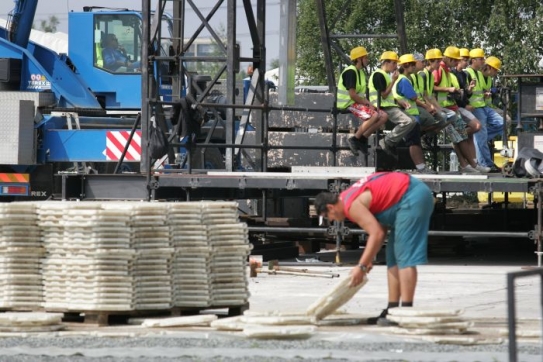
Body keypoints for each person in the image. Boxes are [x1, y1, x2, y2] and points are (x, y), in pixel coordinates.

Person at [314, 171, 434, 325]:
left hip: (411, 196)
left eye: (327, 216)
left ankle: (406, 312)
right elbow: (380, 228)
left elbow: (376, 233)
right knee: (392, 257)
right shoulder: (347, 196)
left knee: (404, 257)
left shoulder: (350, 205)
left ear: (330, 207)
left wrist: (362, 266)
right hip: (405, 196)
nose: (331, 220)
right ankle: (391, 310)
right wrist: (369, 258)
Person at [433, 46, 482, 173]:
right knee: (459, 136)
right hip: (444, 109)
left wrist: (459, 92)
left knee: (460, 136)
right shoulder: (439, 71)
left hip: (452, 108)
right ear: (448, 58)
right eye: (455, 60)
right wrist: (448, 90)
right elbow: (431, 88)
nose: (457, 63)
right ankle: (469, 165)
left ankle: (468, 164)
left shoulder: (449, 73)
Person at [337, 46, 388, 155]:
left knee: (383, 116)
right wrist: (366, 103)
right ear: (359, 59)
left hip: (356, 102)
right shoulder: (351, 72)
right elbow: (352, 95)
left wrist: (370, 104)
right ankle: (355, 139)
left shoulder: (360, 72)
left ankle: (363, 139)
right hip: (347, 103)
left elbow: (360, 95)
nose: (367, 60)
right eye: (365, 58)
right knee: (374, 115)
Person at [368, 51, 417, 159]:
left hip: (389, 105)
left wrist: (399, 101)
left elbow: (389, 94)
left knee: (413, 121)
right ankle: (387, 141)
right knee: (408, 121)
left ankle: (389, 142)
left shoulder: (386, 75)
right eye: (394, 63)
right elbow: (384, 95)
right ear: (386, 62)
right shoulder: (378, 75)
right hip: (382, 106)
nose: (396, 66)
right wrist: (394, 81)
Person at [392, 54, 435, 173]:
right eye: (412, 64)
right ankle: (421, 167)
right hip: (409, 115)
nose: (414, 66)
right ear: (406, 65)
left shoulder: (403, 79)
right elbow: (413, 96)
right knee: (414, 143)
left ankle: (421, 167)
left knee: (414, 141)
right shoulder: (404, 80)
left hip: (410, 115)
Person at [465, 49, 504, 172]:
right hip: (475, 107)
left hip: (484, 107)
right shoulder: (469, 73)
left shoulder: (483, 76)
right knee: (481, 136)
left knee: (503, 123)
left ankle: (479, 140)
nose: (483, 61)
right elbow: (465, 90)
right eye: (481, 59)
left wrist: (489, 93)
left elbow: (481, 91)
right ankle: (486, 164)